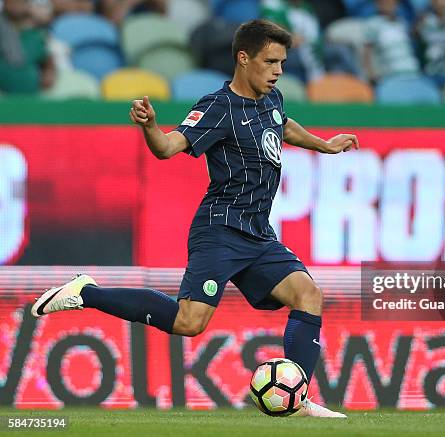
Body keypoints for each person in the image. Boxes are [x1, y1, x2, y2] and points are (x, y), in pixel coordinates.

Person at [31, 19, 358, 418]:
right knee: (189, 321)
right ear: (243, 58)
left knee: (308, 295)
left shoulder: (272, 98)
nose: (278, 71)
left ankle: (297, 396)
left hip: (258, 232)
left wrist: (323, 145)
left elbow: (282, 126)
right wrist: (151, 126)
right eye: (271, 61)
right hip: (220, 229)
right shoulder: (217, 107)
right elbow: (168, 148)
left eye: (282, 63)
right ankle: (87, 293)